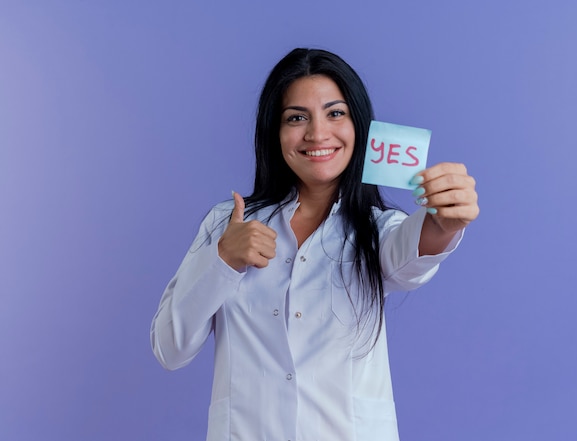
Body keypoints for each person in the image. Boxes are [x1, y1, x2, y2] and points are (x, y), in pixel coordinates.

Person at [151, 48, 479, 441]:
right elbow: (170, 349)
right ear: (275, 131)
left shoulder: (379, 230)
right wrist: (222, 259)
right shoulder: (227, 223)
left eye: (335, 113)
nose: (317, 133)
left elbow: (411, 254)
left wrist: (444, 222)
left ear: (359, 125)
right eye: (296, 118)